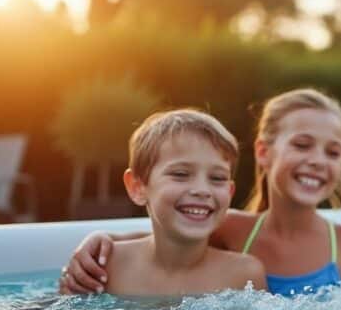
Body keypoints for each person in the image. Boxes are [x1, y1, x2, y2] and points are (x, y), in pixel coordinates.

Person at [59, 89, 341, 297]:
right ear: (263, 152)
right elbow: (161, 240)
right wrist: (100, 242)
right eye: (302, 145)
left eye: (332, 152)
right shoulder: (231, 230)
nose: (318, 160)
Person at [99, 109, 266, 296]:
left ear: (230, 191)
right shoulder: (107, 266)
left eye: (217, 178)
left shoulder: (243, 275)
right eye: (180, 174)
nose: (202, 190)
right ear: (137, 187)